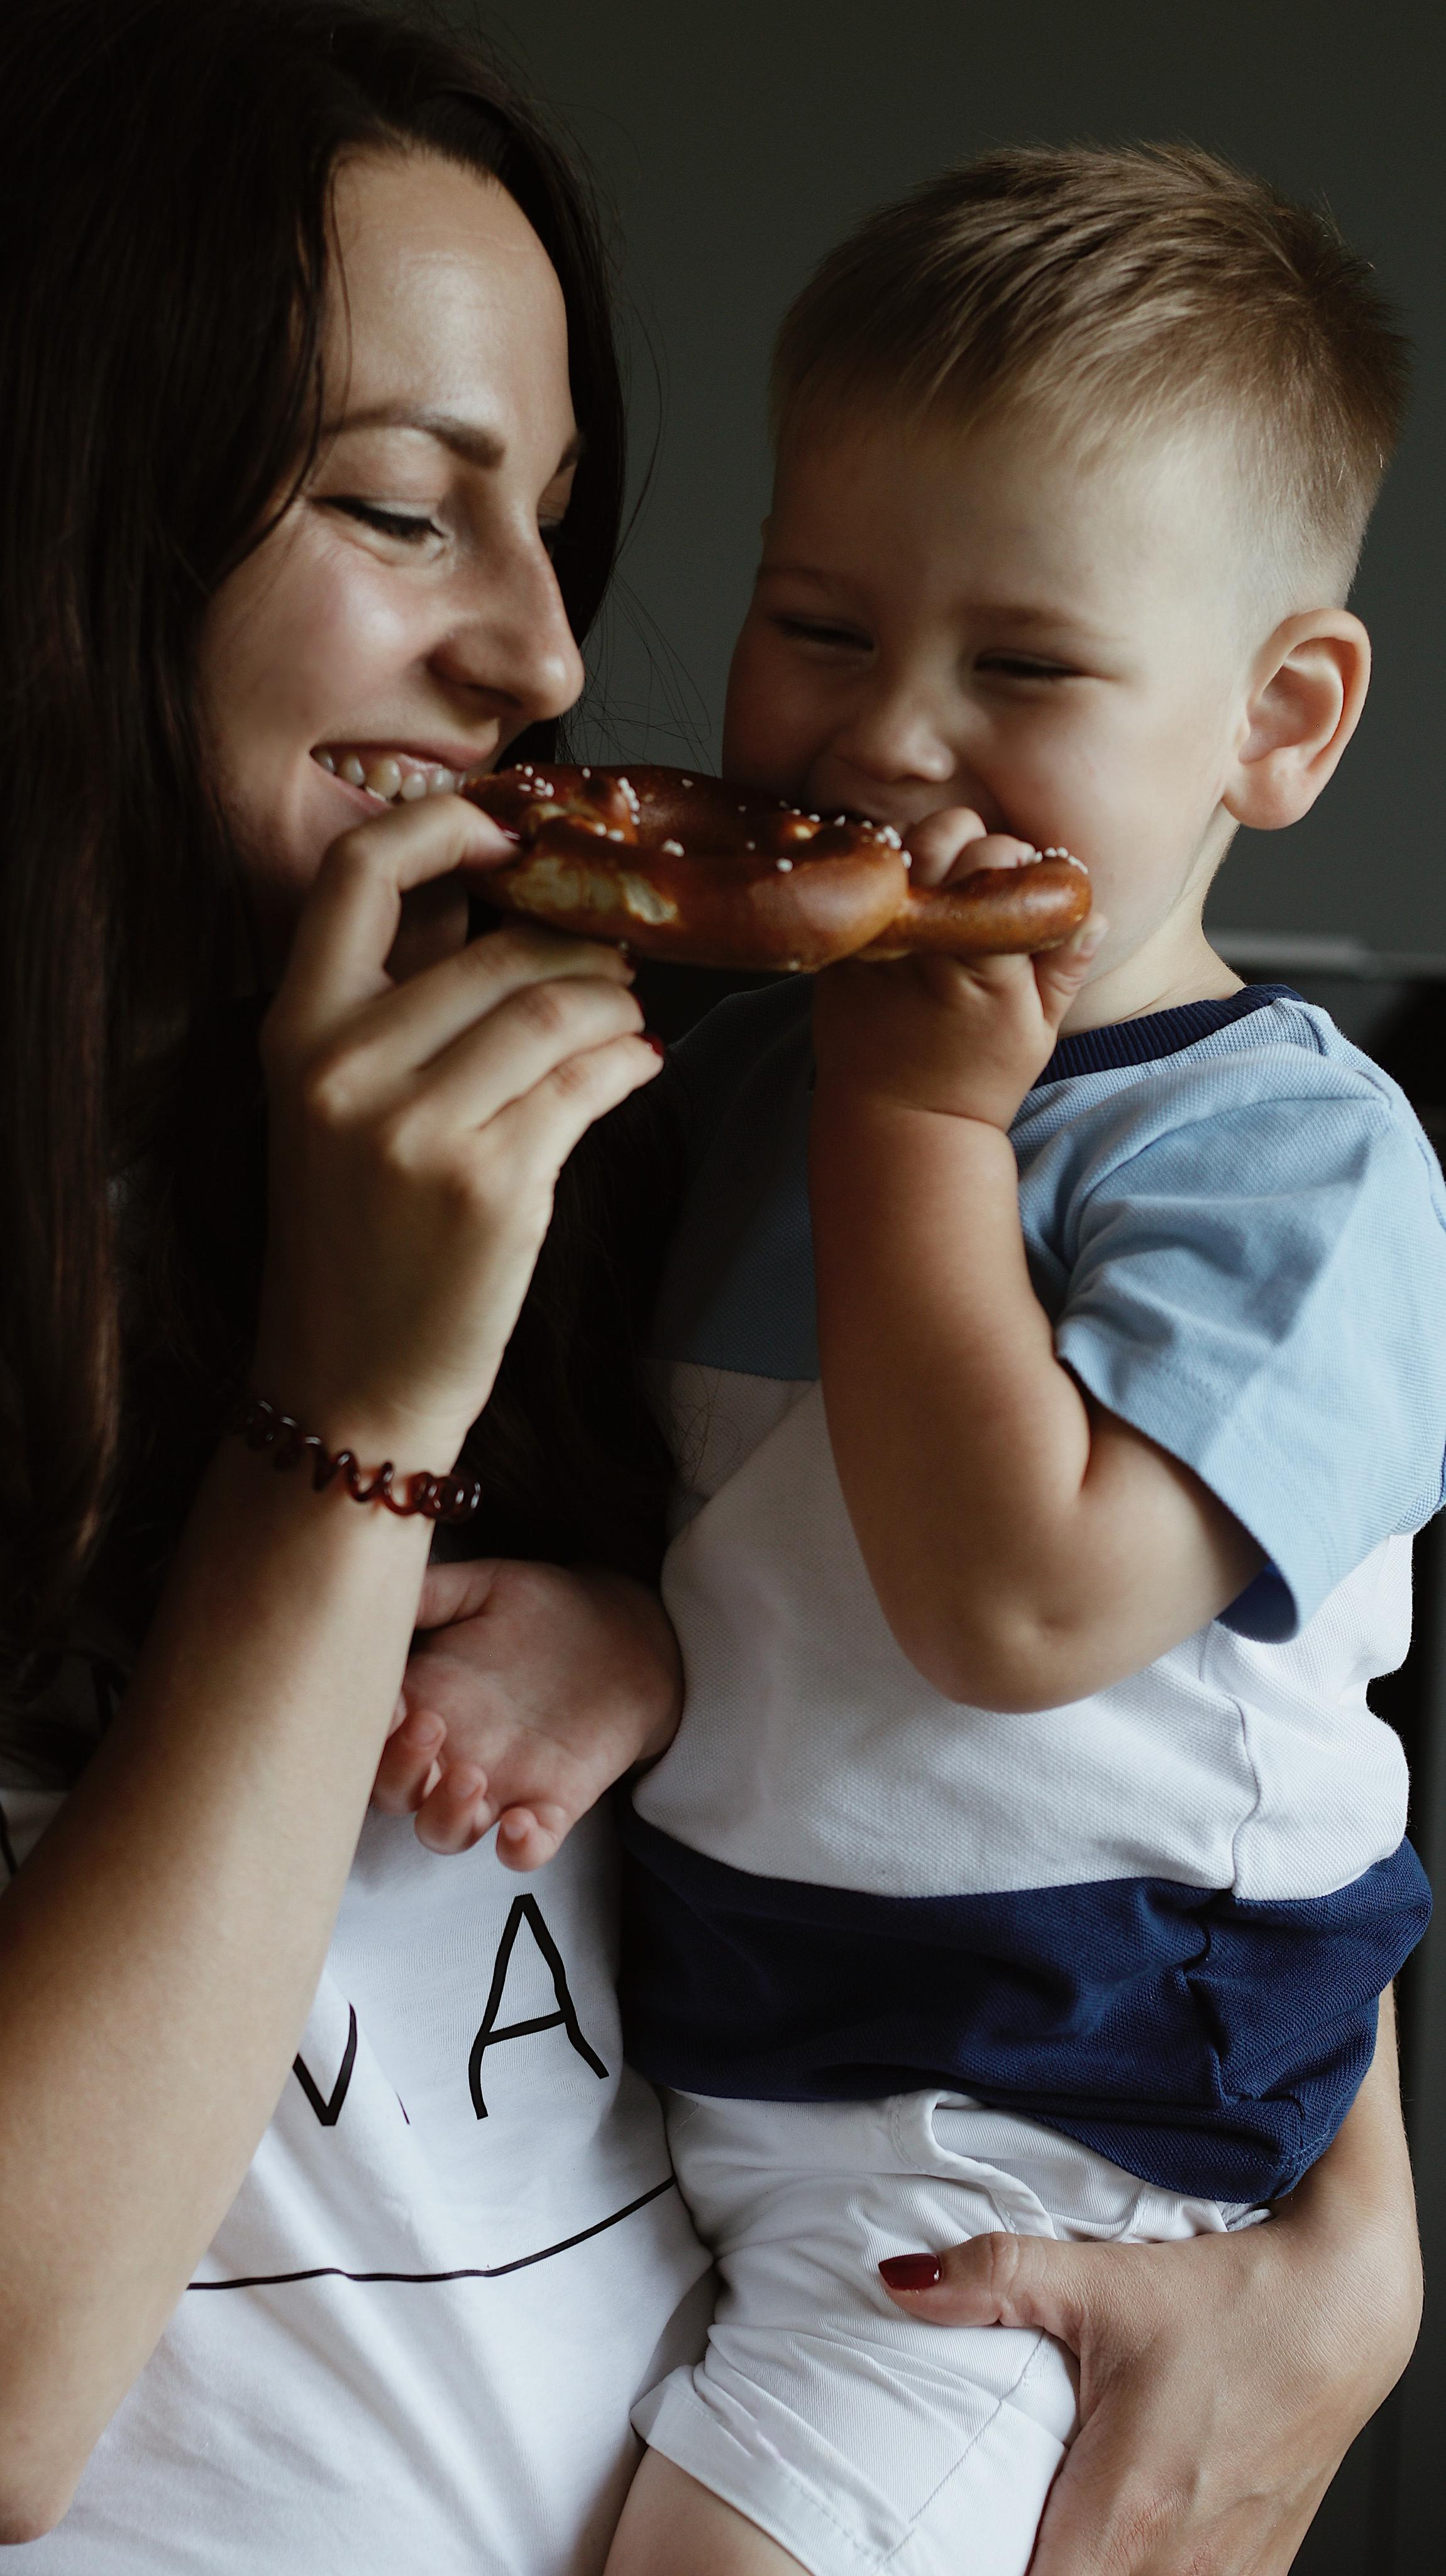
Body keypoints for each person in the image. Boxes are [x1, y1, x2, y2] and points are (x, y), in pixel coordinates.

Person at [0, 2, 1423, 2563]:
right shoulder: (696, 1124)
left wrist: (1344, 2241)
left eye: (556, 526)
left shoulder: (642, 1107)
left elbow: (1127, 1709)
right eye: (399, 508)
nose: (551, 662)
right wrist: (366, 1424)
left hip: (899, 2296)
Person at [379, 147, 1444, 2576]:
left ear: (1275, 721)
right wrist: (640, 1636)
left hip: (1052, 2137)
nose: (885, 740)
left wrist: (921, 1128)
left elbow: (1012, 1611)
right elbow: (776, 1544)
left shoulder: (1289, 1168)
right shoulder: (750, 1076)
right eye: (818, 626)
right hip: (733, 2078)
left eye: (1026, 668)